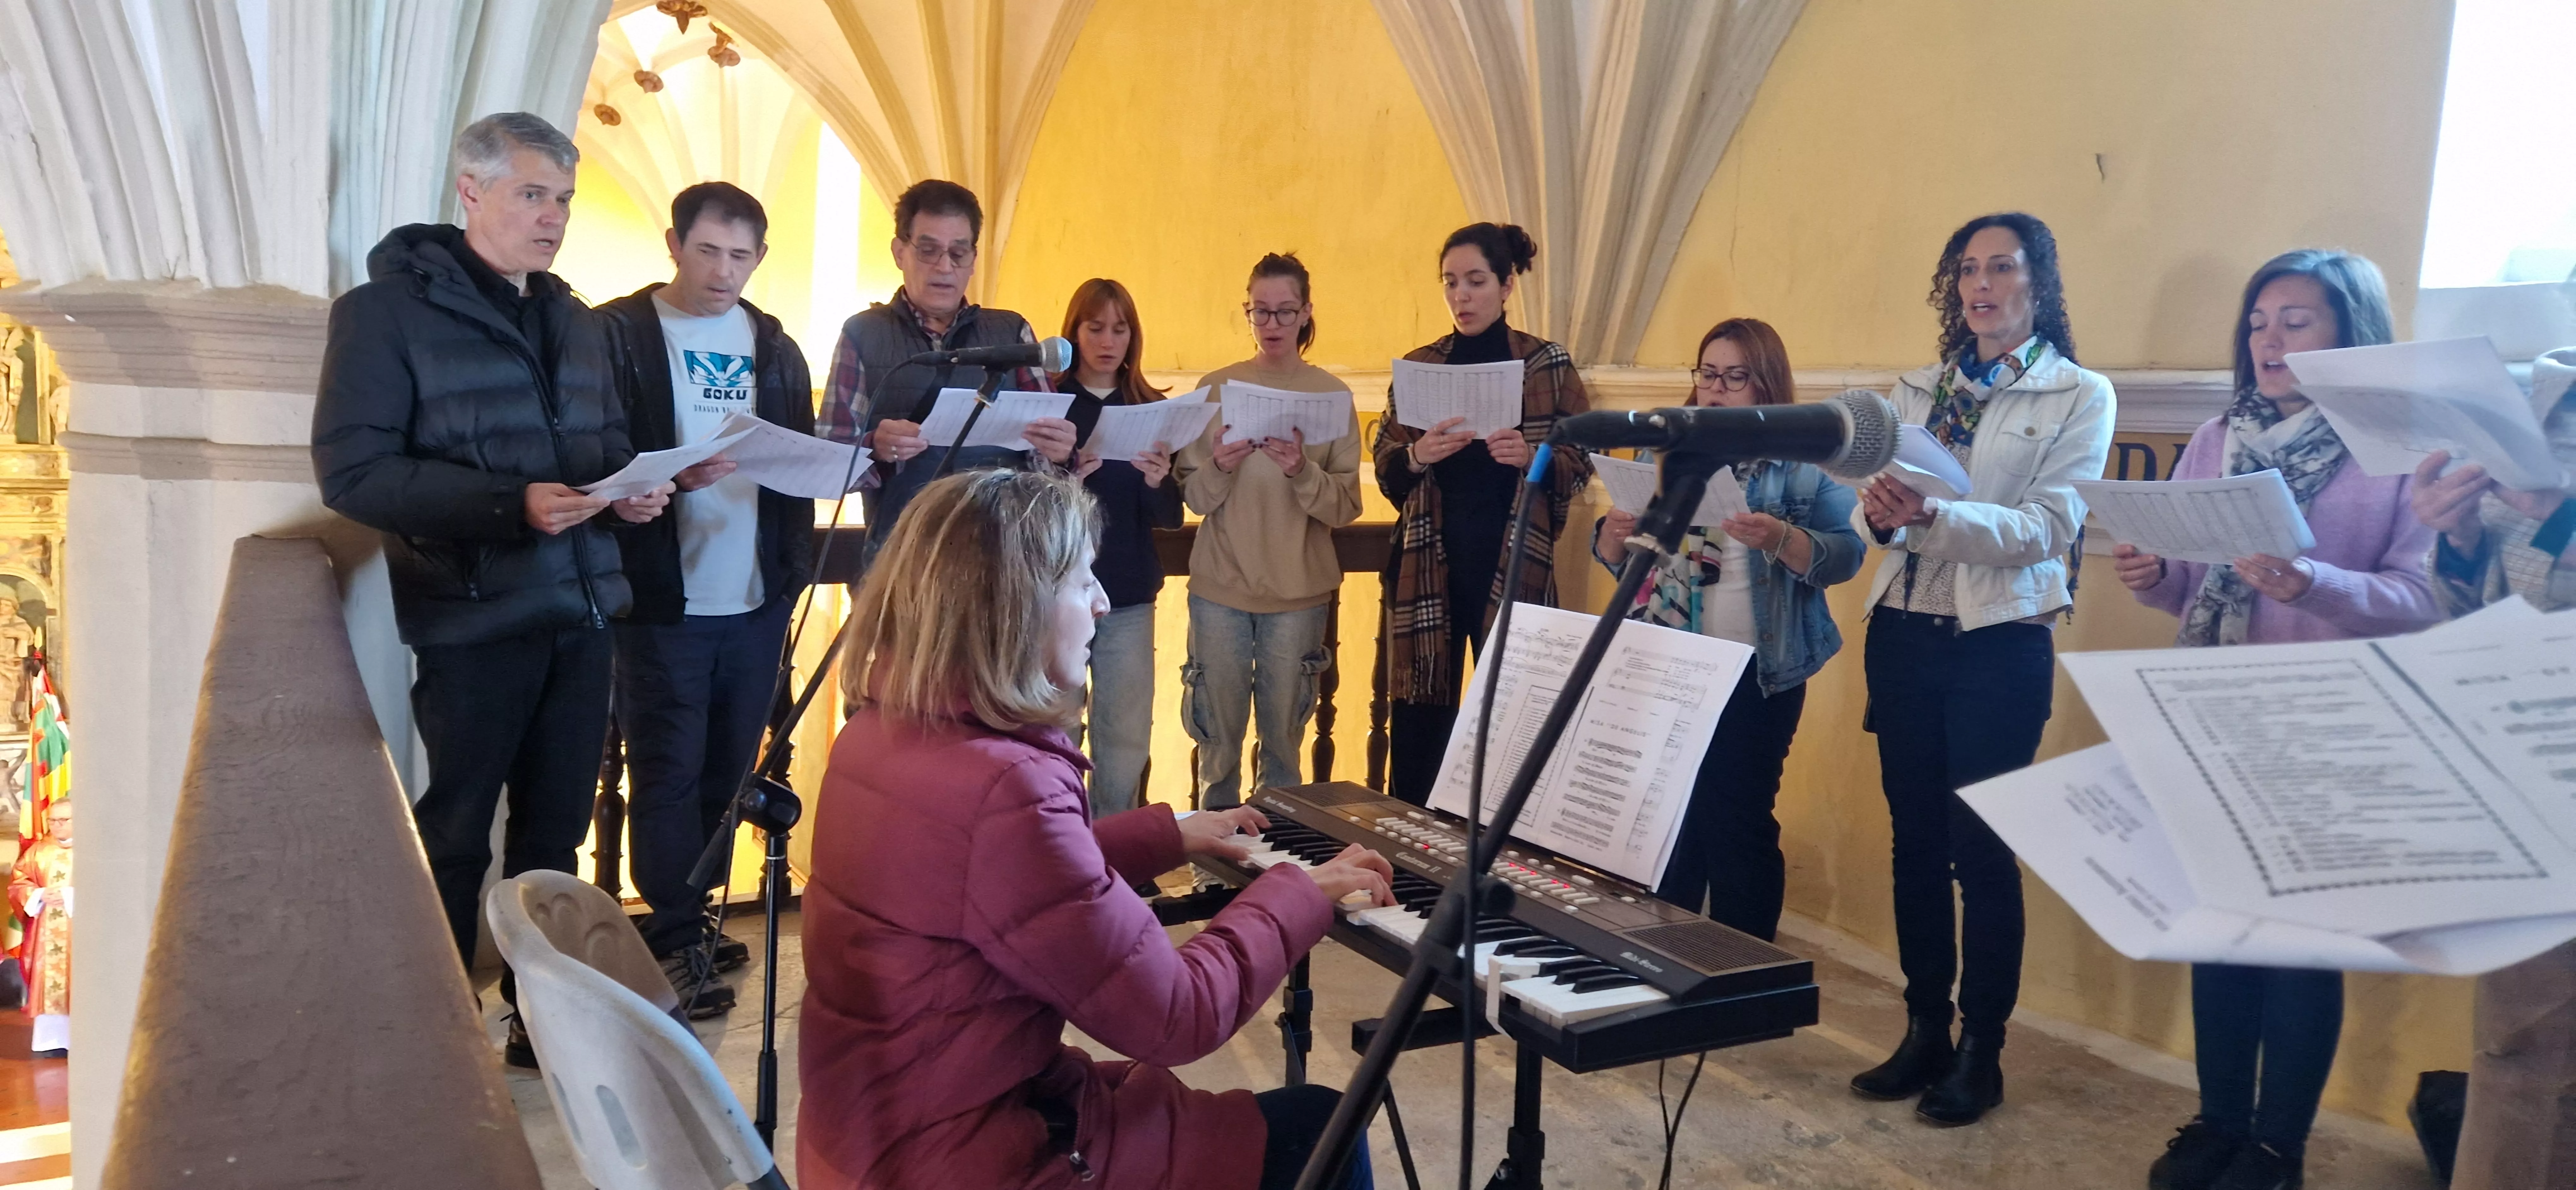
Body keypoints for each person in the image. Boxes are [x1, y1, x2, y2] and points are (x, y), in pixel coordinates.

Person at [801, 468, 1390, 1190]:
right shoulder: (1002, 788)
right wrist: (1295, 892)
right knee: (1317, 1127)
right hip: (966, 1157)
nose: (1105, 604)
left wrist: (1165, 834)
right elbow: (1177, 1016)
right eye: (1084, 582)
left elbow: (988, 885)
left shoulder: (880, 727)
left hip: (871, 1136)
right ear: (1013, 606)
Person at [310, 112, 670, 1067]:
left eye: (563, 199)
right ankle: (426, 1029)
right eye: (531, 195)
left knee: (554, 836)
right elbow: (354, 475)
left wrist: (634, 488)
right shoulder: (385, 313)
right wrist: (513, 507)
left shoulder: (571, 315)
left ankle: (540, 1021)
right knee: (459, 825)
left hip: (584, 608)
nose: (552, 218)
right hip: (477, 615)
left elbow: (593, 448)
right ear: (470, 192)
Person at [2109, 250, 2436, 1190]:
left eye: (2296, 322)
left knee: (2298, 948)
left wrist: (2308, 580)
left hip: (2323, 726)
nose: (2269, 340)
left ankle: (2274, 1145)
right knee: (2221, 933)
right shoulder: (2218, 436)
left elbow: (2419, 596)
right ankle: (2216, 1120)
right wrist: (2154, 578)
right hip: (2210, 714)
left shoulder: (2396, 447)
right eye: (2258, 322)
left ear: (2351, 334)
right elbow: (2194, 587)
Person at [1846, 212, 2113, 1126]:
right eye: (1967, 269)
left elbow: (2049, 529)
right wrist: (1883, 515)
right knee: (1913, 843)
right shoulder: (1914, 391)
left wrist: (1931, 519)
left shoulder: (2079, 394)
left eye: (2002, 267)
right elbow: (1870, 517)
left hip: (2001, 642)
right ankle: (1923, 1027)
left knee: (1982, 852)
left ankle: (1981, 1050)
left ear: (2038, 283)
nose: (1981, 285)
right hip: (1905, 633)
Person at [596, 182, 816, 1013]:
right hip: (661, 596)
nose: (725, 272)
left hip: (754, 596)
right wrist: (652, 482)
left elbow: (793, 454)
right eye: (708, 251)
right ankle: (675, 934)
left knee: (726, 776)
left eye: (742, 255)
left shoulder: (773, 344)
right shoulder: (618, 335)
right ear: (674, 245)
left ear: (761, 257)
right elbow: (595, 443)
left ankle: (690, 921)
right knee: (665, 771)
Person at [1588, 318, 1863, 940]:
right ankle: (1669, 956)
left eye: (1736, 377)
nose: (1717, 389)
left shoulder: (1802, 467)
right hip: (1668, 666)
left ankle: (1743, 974)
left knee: (1737, 820)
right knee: (1667, 820)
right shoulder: (1663, 453)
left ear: (1765, 386)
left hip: (1757, 673)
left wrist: (1783, 537)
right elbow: (1629, 560)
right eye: (1708, 374)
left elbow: (1846, 556)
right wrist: (1608, 542)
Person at [2411, 334, 2576, 1190]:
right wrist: (2464, 536)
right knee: (2520, 1056)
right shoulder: (2543, 399)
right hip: (2540, 775)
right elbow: (2492, 611)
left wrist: (2560, 515)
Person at [1375, 223, 1591, 805]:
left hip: (1512, 561)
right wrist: (1419, 454)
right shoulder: (1423, 365)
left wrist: (1531, 456)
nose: (1461, 296)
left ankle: (1500, 863)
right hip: (1430, 568)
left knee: (1510, 725)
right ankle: (1413, 863)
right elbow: (1387, 466)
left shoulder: (1544, 363)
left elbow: (1578, 457)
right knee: (1422, 731)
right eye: (1450, 283)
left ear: (1506, 285)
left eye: (1475, 281)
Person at [1171, 254, 1363, 808]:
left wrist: (1302, 470)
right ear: (1247, 314)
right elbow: (1194, 498)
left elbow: (1346, 505)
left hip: (1298, 593)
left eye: (1285, 311)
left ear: (1306, 314)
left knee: (1283, 747)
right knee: (1218, 745)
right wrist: (1222, 465)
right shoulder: (1216, 388)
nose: (1273, 324)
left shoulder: (1330, 395)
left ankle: (1279, 873)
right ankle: (1216, 871)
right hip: (1221, 589)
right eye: (1261, 312)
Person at [816, 179, 1074, 561]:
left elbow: (1047, 465)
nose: (944, 267)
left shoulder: (1011, 332)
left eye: (958, 253)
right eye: (929, 250)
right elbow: (827, 462)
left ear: (972, 260)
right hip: (902, 554)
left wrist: (1060, 452)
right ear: (899, 252)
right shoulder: (863, 333)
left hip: (1000, 550)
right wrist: (875, 446)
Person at [1054, 278, 1183, 817]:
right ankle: (1058, 846)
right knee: (1059, 725)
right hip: (1058, 594)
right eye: (1096, 327)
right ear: (1075, 333)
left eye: (1121, 328)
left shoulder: (1151, 407)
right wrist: (1068, 477)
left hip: (1129, 592)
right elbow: (1020, 504)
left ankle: (1114, 855)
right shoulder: (1051, 403)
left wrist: (1158, 481)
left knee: (1126, 732)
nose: (1109, 340)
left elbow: (1171, 518)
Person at [10, 798, 69, 1058]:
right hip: (46, 930)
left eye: (64, 820)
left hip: (83, 933)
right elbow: (19, 883)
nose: (57, 826)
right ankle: (52, 1041)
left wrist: (70, 896)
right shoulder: (38, 852)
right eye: (53, 821)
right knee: (49, 982)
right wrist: (40, 895)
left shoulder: (94, 852)